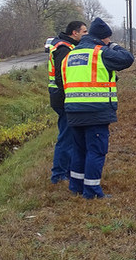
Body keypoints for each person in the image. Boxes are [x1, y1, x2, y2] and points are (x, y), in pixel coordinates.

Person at [62, 17, 134, 199]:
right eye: (108, 38)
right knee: (96, 151)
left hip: (73, 111)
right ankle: (92, 191)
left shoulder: (70, 55)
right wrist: (114, 46)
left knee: (79, 149)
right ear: (103, 38)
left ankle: (76, 186)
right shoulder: (101, 53)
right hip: (95, 111)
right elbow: (127, 59)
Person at [48, 21, 88, 184]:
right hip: (62, 97)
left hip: (60, 96)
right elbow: (60, 76)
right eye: (84, 31)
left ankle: (68, 171)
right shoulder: (64, 48)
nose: (86, 34)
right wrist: (70, 96)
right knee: (67, 136)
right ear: (74, 33)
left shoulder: (66, 45)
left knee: (69, 135)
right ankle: (59, 175)